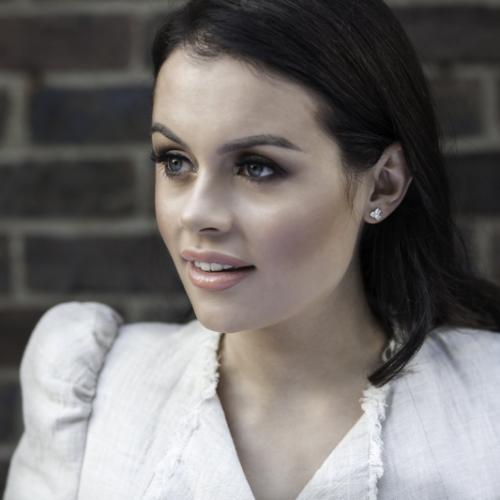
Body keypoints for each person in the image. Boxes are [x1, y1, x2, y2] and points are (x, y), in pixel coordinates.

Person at [4, 0, 500, 499]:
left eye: (256, 167)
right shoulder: (93, 394)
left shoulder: (486, 406)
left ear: (383, 184)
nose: (196, 214)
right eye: (175, 161)